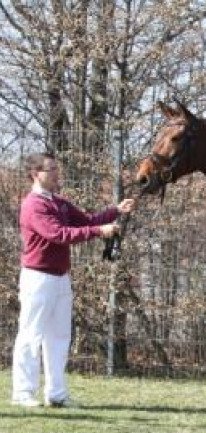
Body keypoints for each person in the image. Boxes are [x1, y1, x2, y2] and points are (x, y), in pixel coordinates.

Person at [11, 152, 136, 408]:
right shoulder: (34, 205)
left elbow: (88, 220)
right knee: (30, 335)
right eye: (51, 169)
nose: (57, 173)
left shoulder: (59, 203)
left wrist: (115, 211)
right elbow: (58, 234)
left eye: (57, 168)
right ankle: (23, 393)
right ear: (36, 174)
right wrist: (99, 232)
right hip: (38, 277)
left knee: (58, 337)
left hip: (60, 277)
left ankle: (56, 393)